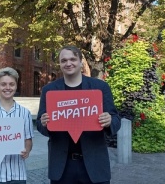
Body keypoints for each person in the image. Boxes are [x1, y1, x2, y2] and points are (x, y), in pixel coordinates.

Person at [37, 46, 121, 184]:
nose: (68, 63)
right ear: (60, 64)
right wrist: (44, 123)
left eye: (72, 59)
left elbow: (116, 120)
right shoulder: (49, 90)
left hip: (94, 165)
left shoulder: (100, 87)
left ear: (81, 62)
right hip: (62, 167)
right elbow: (41, 124)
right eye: (64, 60)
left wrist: (109, 120)